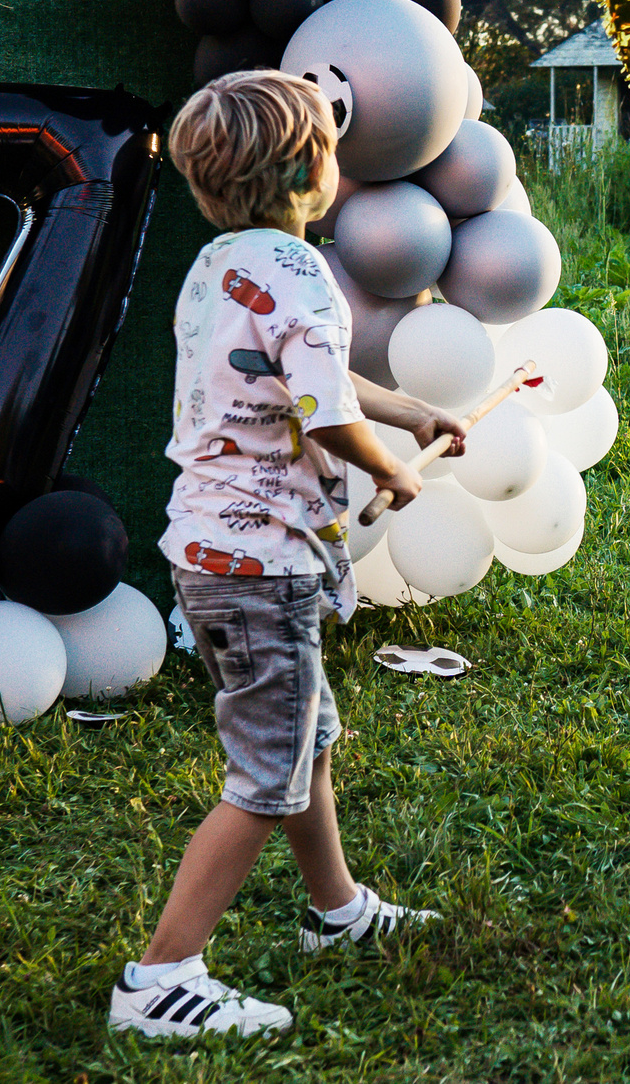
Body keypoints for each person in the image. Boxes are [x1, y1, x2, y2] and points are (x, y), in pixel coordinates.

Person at [110, 70, 469, 1040]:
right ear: (314, 167)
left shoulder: (221, 265)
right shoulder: (301, 271)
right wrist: (391, 470)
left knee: (301, 741)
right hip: (261, 566)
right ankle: (160, 976)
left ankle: (337, 911)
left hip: (208, 554)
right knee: (266, 774)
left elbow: (314, 374)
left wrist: (410, 410)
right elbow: (319, 407)